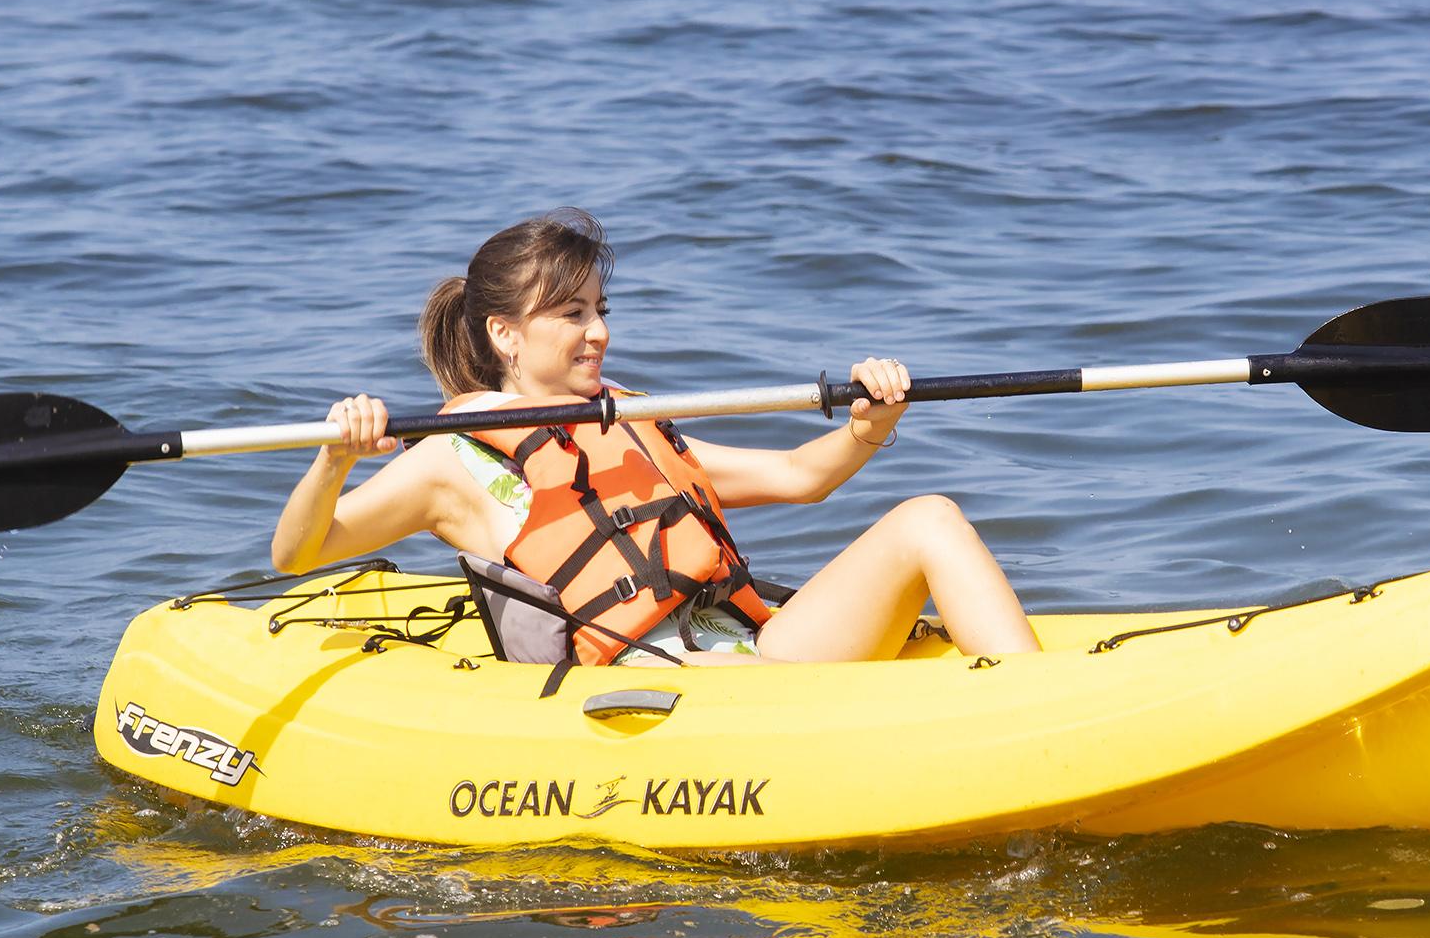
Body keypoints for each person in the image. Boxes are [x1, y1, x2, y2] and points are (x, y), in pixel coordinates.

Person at [270, 210, 1039, 668]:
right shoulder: (450, 461)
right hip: (657, 694)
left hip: (754, 652)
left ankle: (1032, 698)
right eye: (571, 315)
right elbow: (297, 555)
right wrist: (333, 459)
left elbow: (802, 475)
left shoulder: (622, 419)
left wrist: (871, 425)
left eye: (600, 310)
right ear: (504, 333)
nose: (598, 332)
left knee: (929, 516)